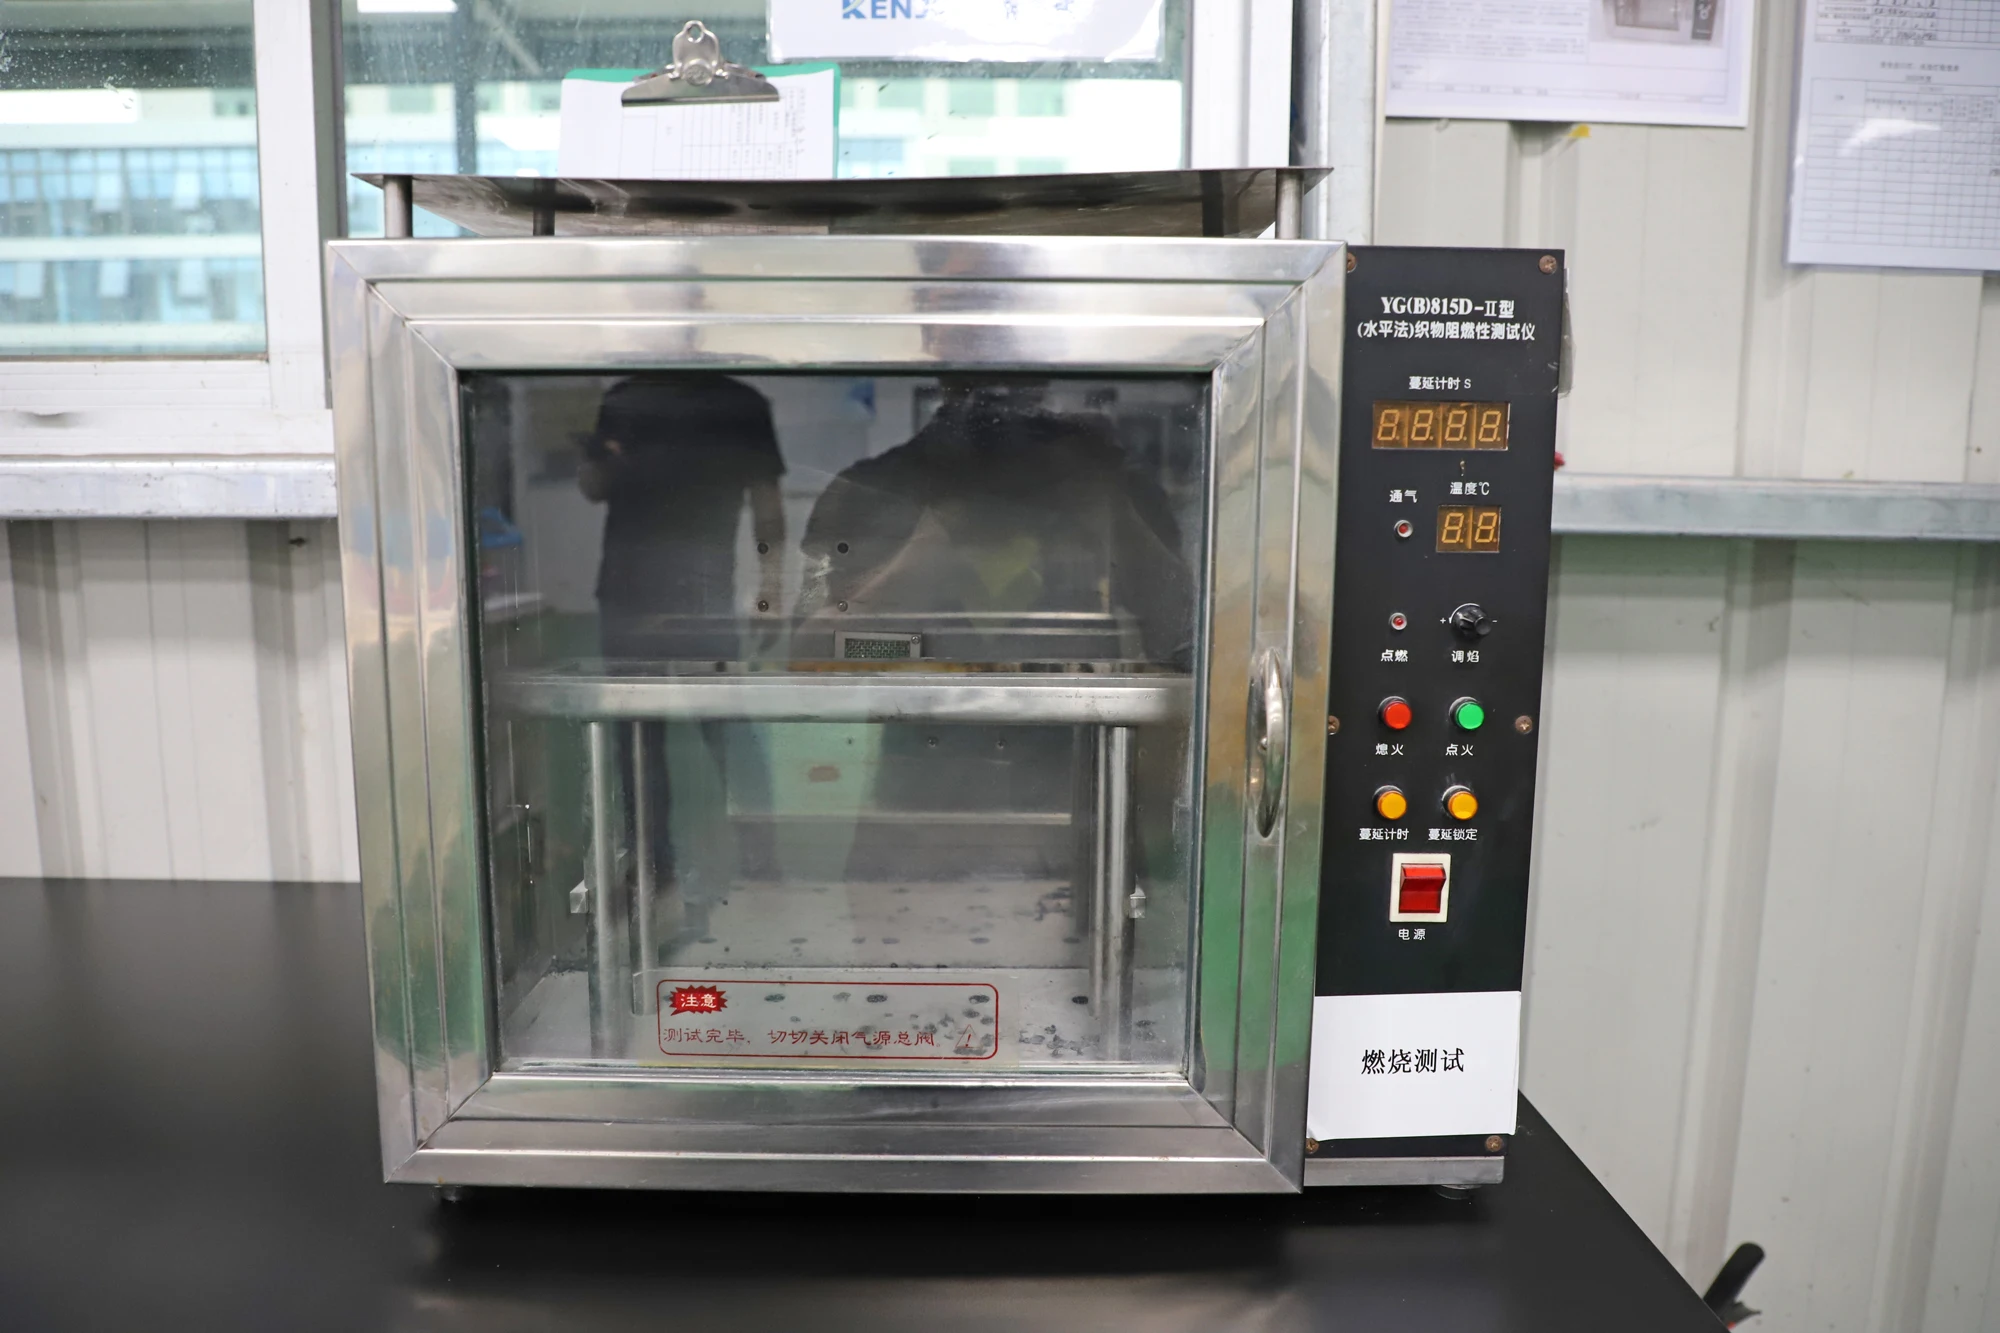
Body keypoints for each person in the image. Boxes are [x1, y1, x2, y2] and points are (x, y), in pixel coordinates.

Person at [578, 373, 785, 953]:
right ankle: (656, 879)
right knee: (638, 746)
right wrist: (596, 452)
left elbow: (767, 504)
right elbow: (593, 486)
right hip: (633, 595)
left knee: (719, 735)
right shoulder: (626, 399)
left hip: (698, 598)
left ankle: (742, 871)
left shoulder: (736, 402)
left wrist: (771, 588)